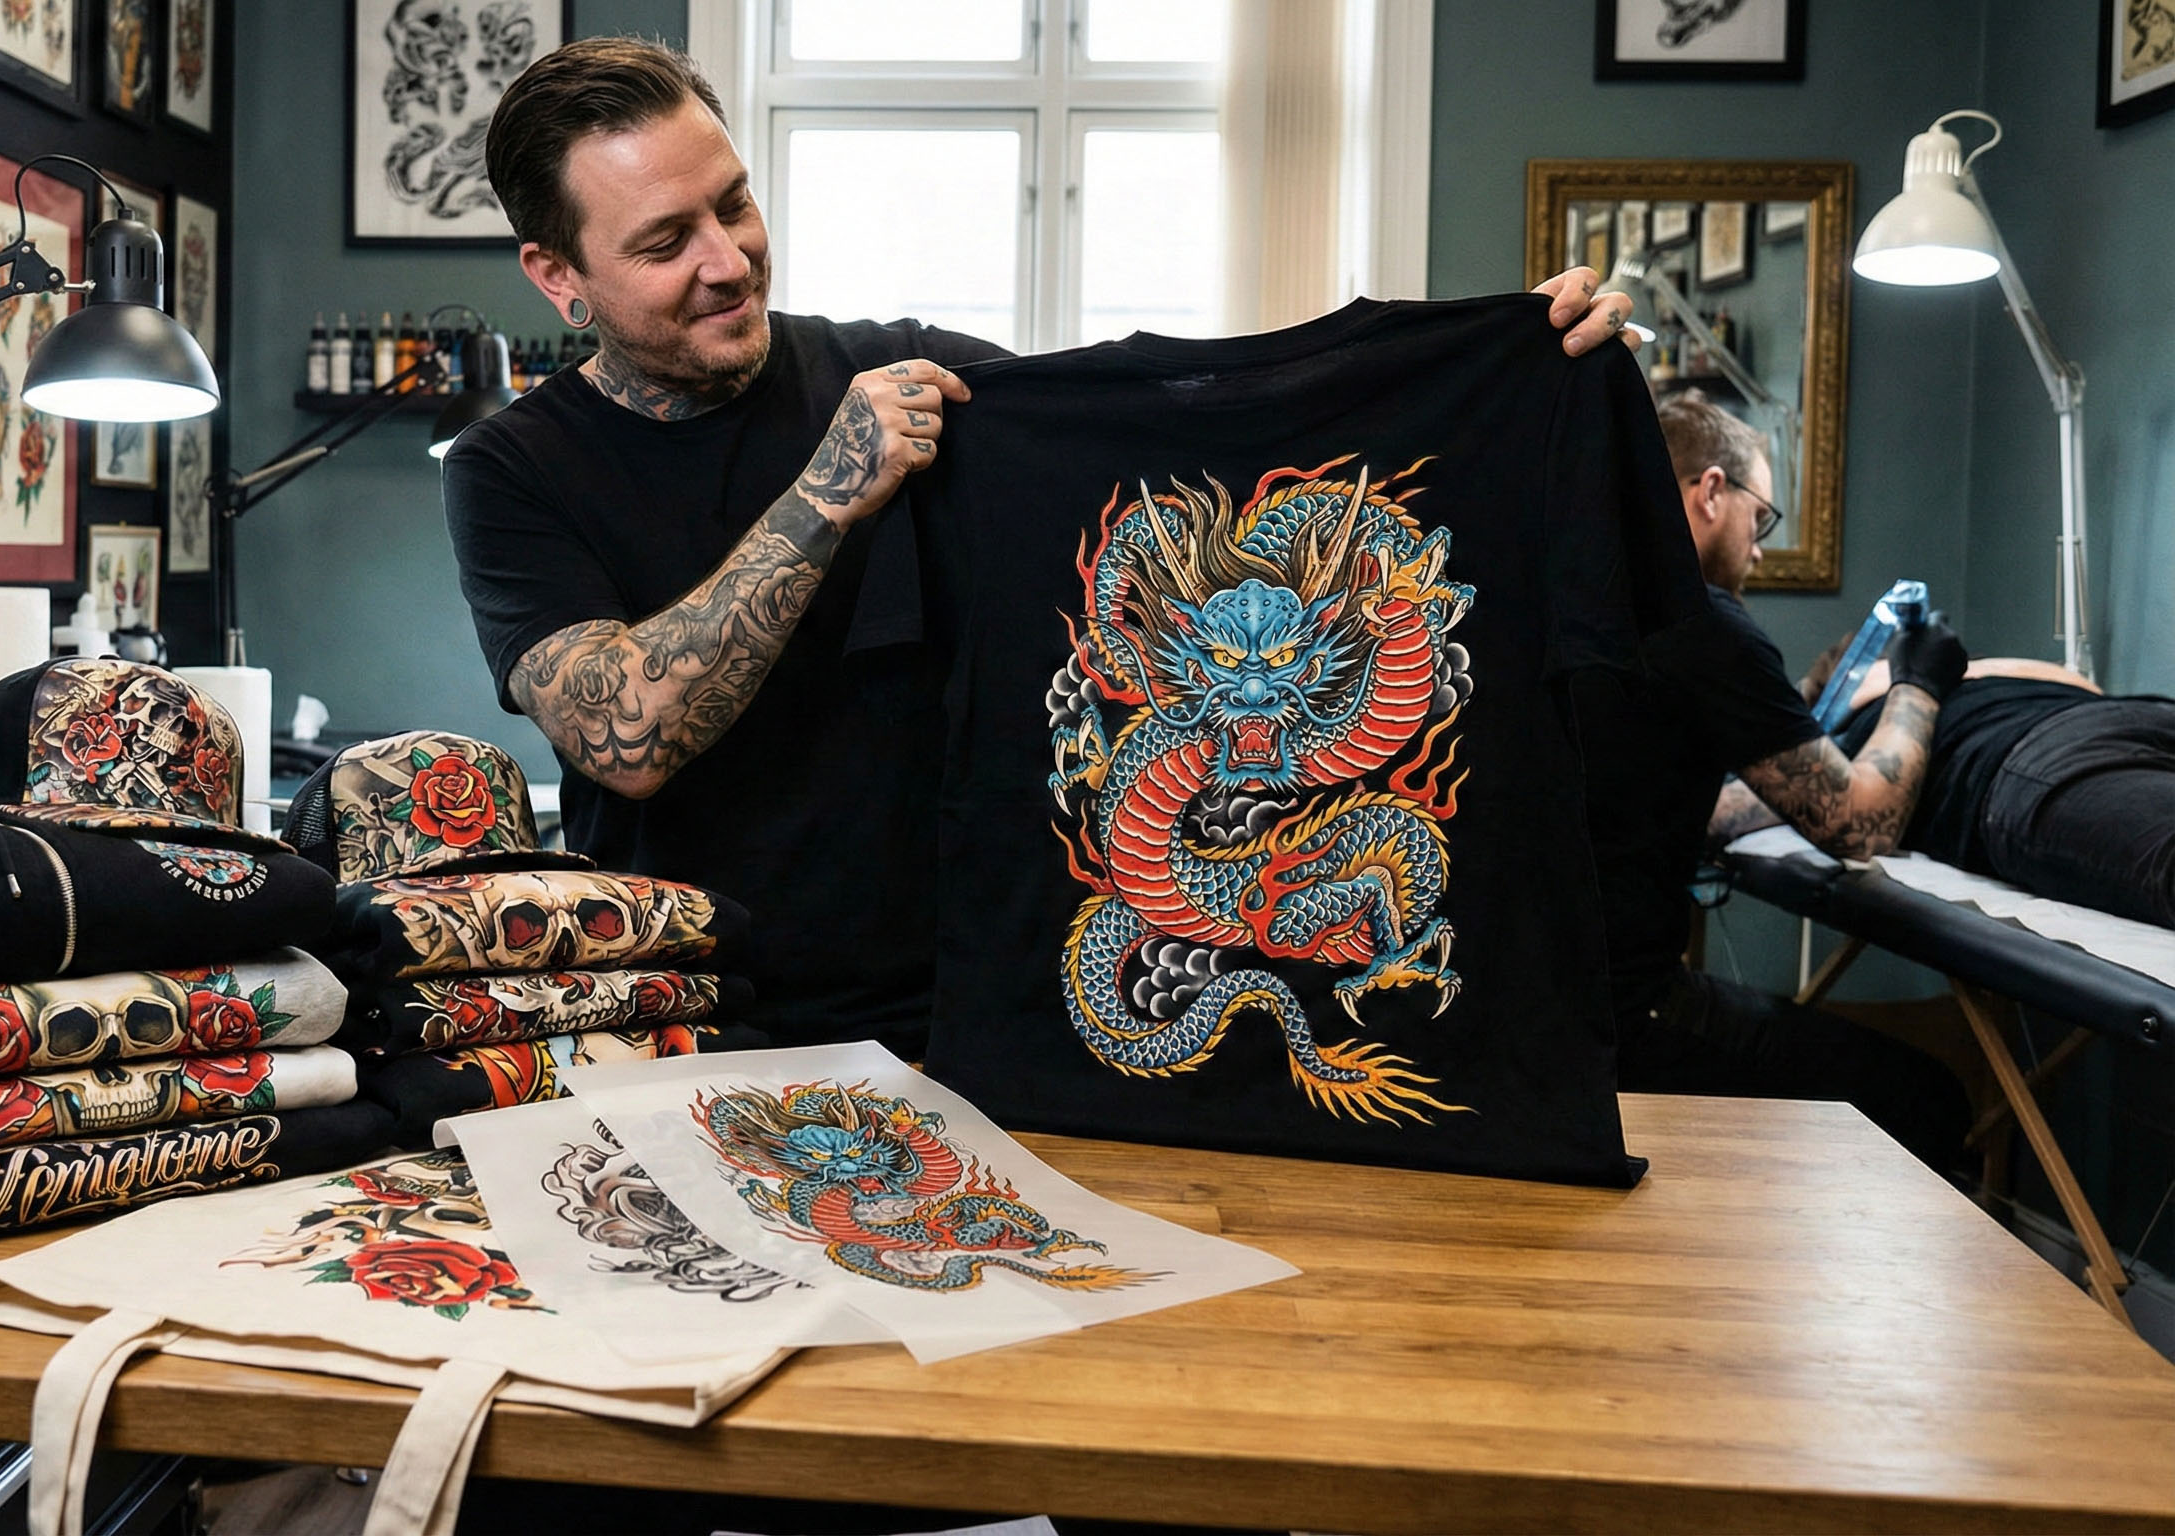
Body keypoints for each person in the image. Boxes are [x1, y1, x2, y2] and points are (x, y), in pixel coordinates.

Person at [443, 36, 1637, 1053]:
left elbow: (1201, 419)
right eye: (664, 242)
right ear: (559, 276)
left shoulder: (907, 366)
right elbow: (629, 735)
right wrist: (827, 494)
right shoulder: (511, 470)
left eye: (735, 203)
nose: (727, 258)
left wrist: (1501, 356)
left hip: (959, 1012)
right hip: (676, 1017)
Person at [1578, 390, 1972, 1170]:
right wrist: (1919, 684)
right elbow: (1862, 825)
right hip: (1627, 1021)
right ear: (1711, 492)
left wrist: (1799, 712)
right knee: (1927, 1099)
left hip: (1536, 1013)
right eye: (1761, 519)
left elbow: (1662, 801)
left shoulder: (1581, 597)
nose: (1759, 549)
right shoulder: (1703, 621)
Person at [1712, 647, 2175, 930]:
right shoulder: (1860, 723)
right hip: (2114, 725)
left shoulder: (1884, 713)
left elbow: (1725, 812)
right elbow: (2085, 686)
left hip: (2041, 757)